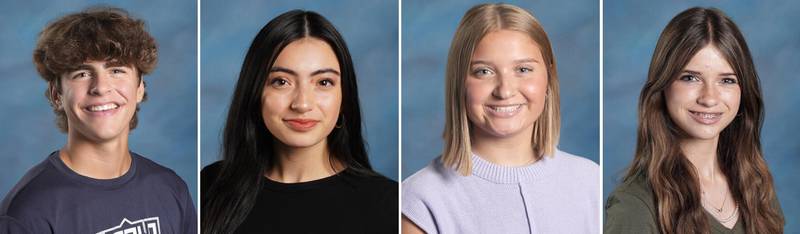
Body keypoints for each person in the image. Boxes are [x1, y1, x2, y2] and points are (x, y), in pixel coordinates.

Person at [402, 3, 599, 233]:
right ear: (459, 83)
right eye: (483, 71)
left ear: (549, 76)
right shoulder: (421, 202)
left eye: (523, 69)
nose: (504, 91)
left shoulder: (589, 181)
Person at [0, 7, 196, 234]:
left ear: (140, 87)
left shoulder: (170, 189)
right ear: (57, 95)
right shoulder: (26, 215)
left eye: (116, 70)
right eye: (82, 73)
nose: (101, 88)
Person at [200, 10, 397, 233]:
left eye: (323, 82)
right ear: (255, 92)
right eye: (281, 81)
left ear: (344, 97)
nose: (302, 104)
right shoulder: (209, 187)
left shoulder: (388, 205)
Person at [604, 7, 784, 234]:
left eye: (726, 80)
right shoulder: (635, 206)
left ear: (743, 91)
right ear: (663, 86)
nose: (709, 98)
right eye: (690, 78)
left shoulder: (757, 188)